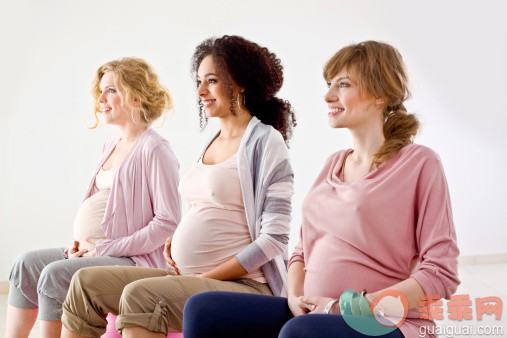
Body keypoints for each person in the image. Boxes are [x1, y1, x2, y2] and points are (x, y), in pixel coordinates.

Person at [182, 41, 460, 338]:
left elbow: (440, 271)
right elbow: (301, 252)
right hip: (311, 313)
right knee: (202, 309)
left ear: (380, 93)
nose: (328, 95)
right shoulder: (332, 165)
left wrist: (348, 307)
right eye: (329, 84)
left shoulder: (419, 164)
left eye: (343, 85)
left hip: (384, 321)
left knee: (301, 332)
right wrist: (294, 297)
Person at [60, 35, 297, 338]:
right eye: (199, 81)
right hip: (191, 275)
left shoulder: (266, 142)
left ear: (240, 83)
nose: (200, 91)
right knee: (84, 285)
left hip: (246, 285)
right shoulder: (212, 144)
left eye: (211, 81)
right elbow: (210, 211)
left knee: (140, 295)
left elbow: (274, 240)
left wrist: (207, 275)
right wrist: (177, 241)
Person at [6, 57, 182, 338]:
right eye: (101, 91)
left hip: (134, 261)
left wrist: (106, 249)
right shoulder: (111, 144)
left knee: (54, 274)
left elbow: (167, 222)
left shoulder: (155, 149)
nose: (100, 99)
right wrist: (82, 246)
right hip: (99, 252)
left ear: (136, 97)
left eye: (111, 90)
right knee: (25, 264)